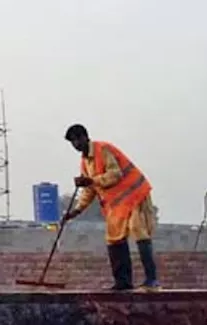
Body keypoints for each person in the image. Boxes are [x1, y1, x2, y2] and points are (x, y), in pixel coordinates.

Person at [64, 124, 159, 291]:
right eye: (73, 142)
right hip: (118, 204)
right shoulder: (85, 163)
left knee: (139, 230)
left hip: (135, 193)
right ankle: (123, 282)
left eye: (78, 139)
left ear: (86, 137)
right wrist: (76, 211)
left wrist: (92, 181)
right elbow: (89, 191)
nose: (76, 144)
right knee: (114, 238)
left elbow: (115, 174)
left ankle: (151, 280)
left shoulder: (103, 150)